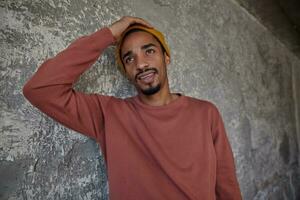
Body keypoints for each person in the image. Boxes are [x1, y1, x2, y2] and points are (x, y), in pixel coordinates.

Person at [23, 16, 242, 200]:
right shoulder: (109, 113)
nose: (141, 64)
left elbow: (226, 184)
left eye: (149, 51)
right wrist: (108, 34)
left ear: (166, 57)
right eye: (129, 59)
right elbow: (40, 89)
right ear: (126, 71)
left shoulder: (205, 112)